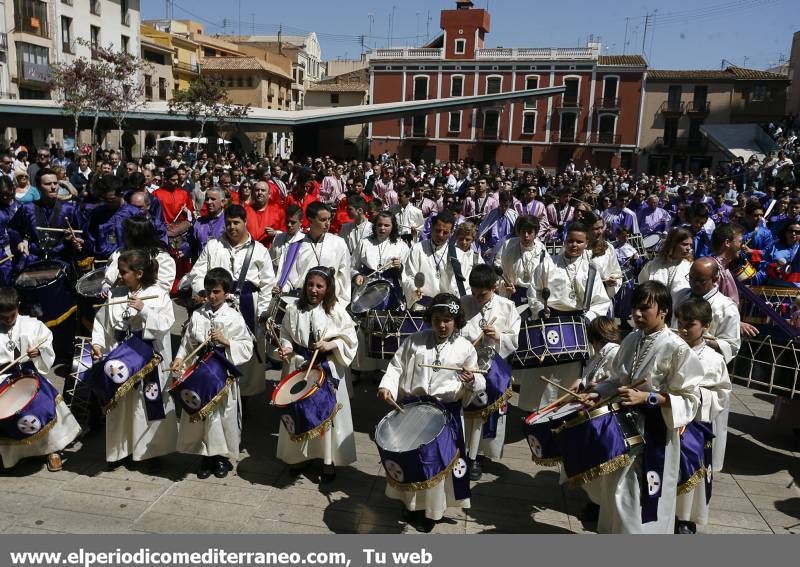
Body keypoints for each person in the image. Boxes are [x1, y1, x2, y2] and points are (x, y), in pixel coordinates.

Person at [584, 281, 702, 534]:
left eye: (645, 308)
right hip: (622, 432)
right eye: (634, 308)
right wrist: (596, 393)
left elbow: (690, 398)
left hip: (654, 433)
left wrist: (647, 398)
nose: (637, 314)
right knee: (617, 495)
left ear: (664, 311)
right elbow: (617, 379)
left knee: (642, 501)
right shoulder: (631, 339)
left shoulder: (676, 347)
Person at [377, 293, 484, 532]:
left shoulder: (465, 348)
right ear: (429, 318)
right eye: (437, 319)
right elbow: (396, 366)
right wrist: (387, 386)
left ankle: (431, 512)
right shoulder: (414, 341)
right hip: (413, 409)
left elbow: (478, 381)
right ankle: (411, 504)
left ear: (456, 321)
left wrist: (471, 380)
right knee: (413, 459)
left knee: (435, 464)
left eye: (448, 320)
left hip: (445, 414)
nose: (442, 325)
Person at [90, 249, 178, 467]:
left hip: (147, 358)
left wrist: (145, 310)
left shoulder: (158, 294)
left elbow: (166, 323)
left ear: (139, 273)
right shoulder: (116, 294)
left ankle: (150, 452)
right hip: (121, 357)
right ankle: (121, 451)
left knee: (145, 404)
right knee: (121, 405)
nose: (119, 276)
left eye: (123, 272)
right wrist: (98, 345)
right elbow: (102, 321)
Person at [183, 205, 275, 399]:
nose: (232, 227)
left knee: (245, 348)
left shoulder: (259, 250)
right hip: (217, 305)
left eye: (236, 223)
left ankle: (245, 396)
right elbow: (198, 272)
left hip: (249, 305)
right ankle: (215, 389)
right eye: (228, 223)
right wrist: (202, 291)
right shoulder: (213, 246)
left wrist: (264, 313)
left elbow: (267, 283)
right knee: (216, 347)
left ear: (245, 222)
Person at [276, 266, 358, 482]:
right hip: (301, 366)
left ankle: (327, 461)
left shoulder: (337, 311)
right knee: (300, 413)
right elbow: (285, 332)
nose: (314, 290)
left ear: (328, 288)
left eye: (319, 286)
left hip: (327, 369)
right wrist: (286, 347)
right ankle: (300, 457)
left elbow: (350, 339)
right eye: (310, 285)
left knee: (327, 417)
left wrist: (331, 344)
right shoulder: (294, 309)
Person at [171, 268, 253, 479]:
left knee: (222, 416)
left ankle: (221, 457)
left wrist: (226, 342)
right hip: (200, 373)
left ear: (226, 292)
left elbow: (246, 346)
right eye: (208, 291)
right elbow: (187, 342)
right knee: (202, 415)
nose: (211, 296)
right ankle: (205, 455)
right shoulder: (198, 314)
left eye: (216, 291)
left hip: (221, 374)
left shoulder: (233, 317)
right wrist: (180, 358)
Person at [523, 223, 613, 411]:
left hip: (577, 326)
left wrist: (588, 317)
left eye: (579, 242)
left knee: (571, 375)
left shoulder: (591, 270)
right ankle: (538, 412)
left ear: (586, 243)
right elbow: (534, 293)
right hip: (549, 323)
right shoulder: (548, 264)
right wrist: (540, 310)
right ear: (564, 241)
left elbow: (601, 302)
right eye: (570, 240)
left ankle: (565, 411)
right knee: (544, 373)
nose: (574, 245)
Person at [0, 287, 81, 472]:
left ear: (18, 306)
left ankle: (52, 450)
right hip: (4, 378)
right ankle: (16, 455)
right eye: (2, 317)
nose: (7, 320)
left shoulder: (32, 325)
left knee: (43, 402)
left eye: (11, 315)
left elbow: (46, 345)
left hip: (31, 373)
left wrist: (38, 353)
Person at [674, 298, 731, 534]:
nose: (684, 329)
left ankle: (686, 518)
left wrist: (697, 394)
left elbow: (723, 392)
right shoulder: (671, 349)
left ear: (706, 325)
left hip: (696, 423)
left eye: (691, 324)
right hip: (669, 418)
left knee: (692, 471)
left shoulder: (714, 359)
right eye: (681, 323)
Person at [461, 265, 520, 480]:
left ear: (494, 288)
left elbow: (515, 340)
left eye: (482, 294)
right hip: (467, 366)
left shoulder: (507, 307)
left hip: (493, 366)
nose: (477, 298)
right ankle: (464, 451)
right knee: (467, 413)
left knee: (487, 414)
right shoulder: (464, 303)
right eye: (473, 293)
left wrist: (498, 337)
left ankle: (478, 455)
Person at [274, 201, 351, 306]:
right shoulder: (295, 246)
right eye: (323, 220)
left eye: (329, 219)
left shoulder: (339, 243)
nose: (328, 223)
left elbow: (344, 279)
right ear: (311, 220)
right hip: (301, 302)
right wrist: (282, 289)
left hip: (328, 303)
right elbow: (287, 279)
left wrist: (339, 305)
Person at [672, 257, 741, 364]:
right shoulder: (680, 295)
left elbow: (732, 346)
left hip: (704, 364)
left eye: (701, 281)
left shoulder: (726, 307)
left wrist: (700, 341)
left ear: (715, 279)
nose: (694, 283)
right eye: (691, 278)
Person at [402, 211, 467, 306]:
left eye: (445, 232)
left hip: (447, 307)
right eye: (437, 230)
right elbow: (408, 275)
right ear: (431, 228)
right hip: (422, 304)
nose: (440, 235)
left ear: (451, 232)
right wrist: (415, 289)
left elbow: (464, 285)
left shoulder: (458, 255)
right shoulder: (417, 249)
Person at [102, 216, 176, 294]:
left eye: (126, 233)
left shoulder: (162, 259)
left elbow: (162, 288)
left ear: (136, 237)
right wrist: (106, 286)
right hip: (116, 302)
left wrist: (134, 292)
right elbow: (108, 277)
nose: (123, 236)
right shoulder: (119, 253)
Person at [493, 215, 548, 304]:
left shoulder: (541, 249)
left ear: (536, 233)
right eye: (523, 232)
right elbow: (498, 267)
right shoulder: (508, 245)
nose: (526, 235)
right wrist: (505, 283)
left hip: (534, 295)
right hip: (512, 293)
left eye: (530, 232)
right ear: (518, 232)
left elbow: (546, 274)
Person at [637, 227, 693, 308]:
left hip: (679, 315)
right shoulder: (653, 265)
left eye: (690, 245)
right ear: (673, 244)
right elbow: (642, 287)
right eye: (684, 244)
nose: (688, 248)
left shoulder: (690, 267)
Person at [244, 180, 285, 248]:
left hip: (270, 251)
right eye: (257, 190)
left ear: (269, 194)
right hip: (248, 250)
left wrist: (275, 233)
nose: (260, 192)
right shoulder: (245, 210)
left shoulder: (279, 212)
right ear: (253, 193)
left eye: (263, 190)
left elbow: (285, 232)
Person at [190, 187, 227, 260]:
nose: (209, 202)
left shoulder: (228, 221)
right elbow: (192, 246)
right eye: (207, 199)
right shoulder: (199, 222)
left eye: (213, 199)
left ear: (222, 202)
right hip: (201, 266)